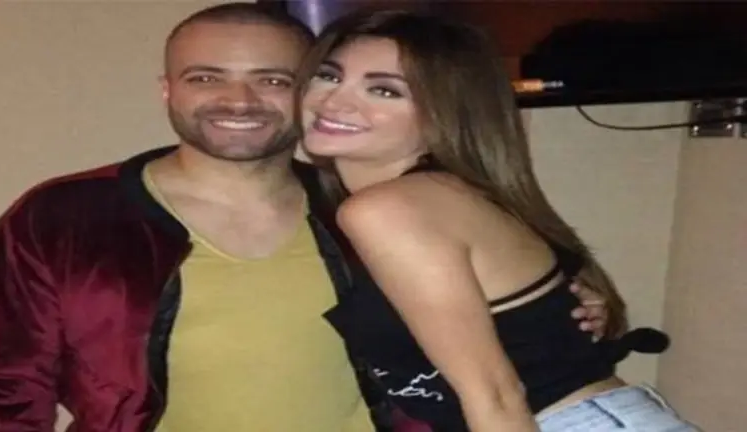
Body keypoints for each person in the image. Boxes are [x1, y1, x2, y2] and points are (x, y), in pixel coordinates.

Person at [0, 3, 610, 432]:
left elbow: (485, 306)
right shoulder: (65, 218)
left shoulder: (363, 211)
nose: (239, 101)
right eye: (206, 78)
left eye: (274, 80)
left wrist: (569, 299)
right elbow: (2, 391)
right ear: (167, 89)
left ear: (306, 91)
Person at [297, 9, 696, 432]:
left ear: (445, 114)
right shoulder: (439, 193)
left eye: (384, 90)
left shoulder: (387, 210)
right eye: (329, 76)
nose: (334, 101)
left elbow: (496, 397)